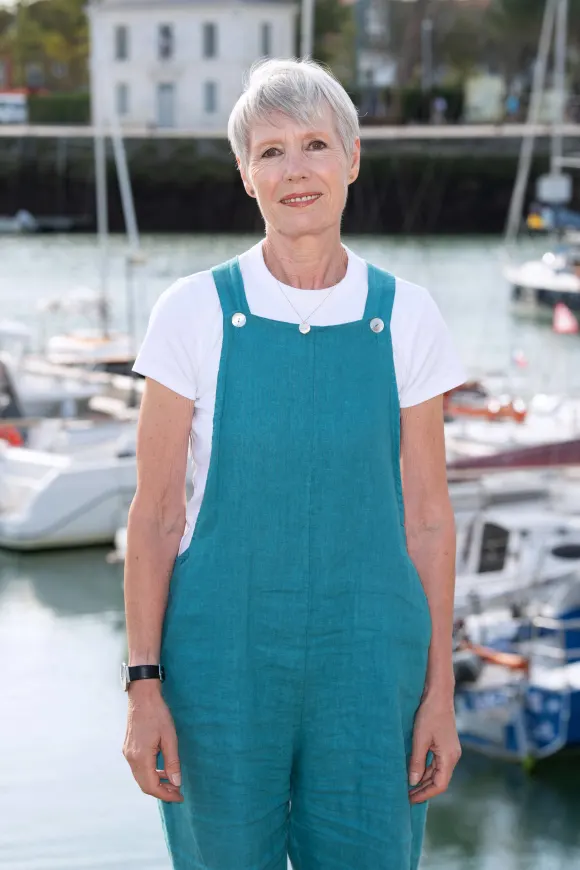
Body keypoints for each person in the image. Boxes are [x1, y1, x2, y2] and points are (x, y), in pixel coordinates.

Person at [121, 58, 466, 870]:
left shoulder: (407, 317)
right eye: (270, 151)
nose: (296, 169)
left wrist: (439, 694)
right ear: (246, 176)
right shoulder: (192, 312)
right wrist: (144, 689)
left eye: (315, 143)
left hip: (373, 674)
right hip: (217, 674)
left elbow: (428, 520)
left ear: (351, 159)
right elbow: (155, 517)